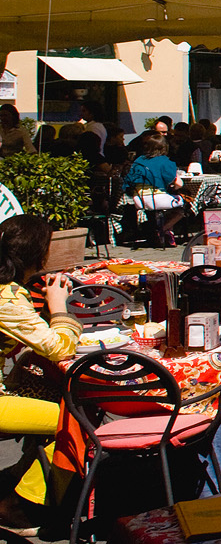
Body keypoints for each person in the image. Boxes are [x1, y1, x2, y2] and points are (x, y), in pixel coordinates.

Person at [0, 215, 81, 527]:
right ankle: (20, 506)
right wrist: (59, 307)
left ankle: (16, 476)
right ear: (40, 254)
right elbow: (60, 349)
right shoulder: (7, 297)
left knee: (52, 396)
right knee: (76, 423)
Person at [124, 132, 189, 242]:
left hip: (139, 199)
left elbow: (129, 181)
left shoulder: (138, 161)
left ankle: (160, 231)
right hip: (157, 199)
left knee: (161, 205)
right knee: (185, 204)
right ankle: (162, 230)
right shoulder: (165, 161)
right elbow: (178, 183)